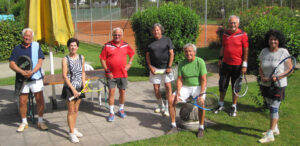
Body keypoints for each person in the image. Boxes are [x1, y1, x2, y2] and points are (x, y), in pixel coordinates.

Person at [9, 28, 48, 132]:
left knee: (40, 100)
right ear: (23, 36)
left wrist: (33, 71)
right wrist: (22, 72)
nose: (27, 37)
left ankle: (40, 121)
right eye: (26, 36)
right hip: (22, 80)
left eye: (29, 36)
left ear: (32, 37)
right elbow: (11, 64)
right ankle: (24, 122)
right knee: (22, 101)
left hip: (36, 78)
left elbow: (40, 61)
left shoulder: (36, 46)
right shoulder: (17, 48)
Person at [166, 43, 207, 138]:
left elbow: (204, 79)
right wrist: (178, 93)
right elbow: (180, 79)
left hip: (198, 86)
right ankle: (173, 126)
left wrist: (201, 94)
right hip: (186, 87)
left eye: (190, 51)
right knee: (171, 100)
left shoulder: (200, 62)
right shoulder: (182, 63)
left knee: (201, 103)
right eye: (186, 51)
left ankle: (201, 128)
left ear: (194, 52)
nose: (188, 53)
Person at [258, 30, 292, 143]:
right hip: (265, 83)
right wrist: (262, 76)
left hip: (278, 85)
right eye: (271, 39)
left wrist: (278, 77)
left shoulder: (283, 52)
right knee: (269, 104)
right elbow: (260, 66)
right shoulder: (264, 51)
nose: (273, 41)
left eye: (275, 39)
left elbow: (289, 69)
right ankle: (275, 128)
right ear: (268, 40)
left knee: (274, 107)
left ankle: (270, 134)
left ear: (279, 41)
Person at [214, 15, 249, 117]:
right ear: (228, 23)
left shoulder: (243, 34)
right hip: (225, 64)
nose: (232, 25)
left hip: (238, 66)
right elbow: (223, 47)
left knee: (236, 86)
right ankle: (221, 104)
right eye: (231, 23)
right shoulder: (225, 34)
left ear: (238, 24)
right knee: (222, 85)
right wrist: (220, 59)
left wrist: (244, 64)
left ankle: (234, 106)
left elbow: (246, 49)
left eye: (234, 23)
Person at [100, 27, 135, 122]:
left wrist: (129, 64)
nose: (117, 36)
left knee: (122, 93)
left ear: (122, 36)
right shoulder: (107, 45)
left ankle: (121, 109)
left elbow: (132, 54)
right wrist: (107, 71)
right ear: (112, 35)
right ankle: (111, 112)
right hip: (111, 75)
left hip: (123, 74)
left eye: (119, 35)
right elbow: (102, 59)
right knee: (111, 92)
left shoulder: (126, 45)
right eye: (115, 34)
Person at [146, 23, 174, 117]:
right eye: (154, 30)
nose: (156, 32)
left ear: (161, 30)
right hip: (155, 69)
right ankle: (160, 105)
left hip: (166, 68)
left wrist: (169, 67)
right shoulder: (150, 42)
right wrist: (150, 67)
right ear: (152, 32)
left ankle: (167, 106)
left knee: (168, 86)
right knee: (156, 88)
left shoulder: (167, 40)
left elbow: (172, 54)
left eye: (157, 30)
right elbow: (147, 55)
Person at [61, 38, 86, 143]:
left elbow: (83, 72)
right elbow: (64, 76)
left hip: (79, 87)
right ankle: (71, 133)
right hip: (70, 88)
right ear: (68, 47)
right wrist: (73, 90)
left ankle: (73, 129)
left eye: (75, 45)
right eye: (71, 46)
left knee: (76, 109)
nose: (73, 47)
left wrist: (83, 83)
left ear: (77, 47)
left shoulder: (81, 57)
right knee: (71, 110)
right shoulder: (65, 59)